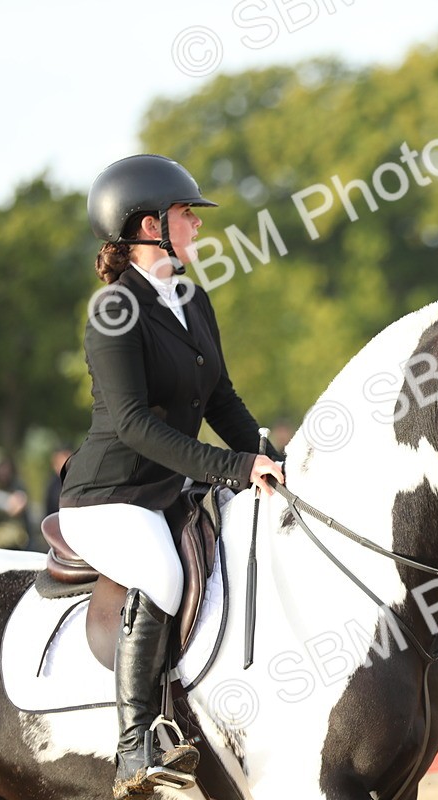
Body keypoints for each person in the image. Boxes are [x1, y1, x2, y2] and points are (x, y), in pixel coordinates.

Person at [58, 154, 284, 799]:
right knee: (161, 572)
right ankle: (136, 746)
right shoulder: (113, 310)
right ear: (149, 225)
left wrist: (270, 459)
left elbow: (222, 402)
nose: (197, 225)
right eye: (187, 214)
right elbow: (132, 424)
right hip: (110, 495)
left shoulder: (192, 300)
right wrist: (233, 468)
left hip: (167, 487)